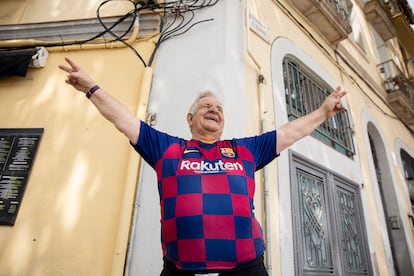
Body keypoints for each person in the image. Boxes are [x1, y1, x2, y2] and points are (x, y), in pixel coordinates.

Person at [59, 57, 347, 276]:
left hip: (246, 268)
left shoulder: (244, 150)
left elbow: (289, 132)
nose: (214, 110)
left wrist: (323, 112)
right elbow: (123, 120)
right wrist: (90, 88)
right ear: (189, 117)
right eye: (206, 106)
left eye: (219, 109)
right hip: (180, 270)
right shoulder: (167, 148)